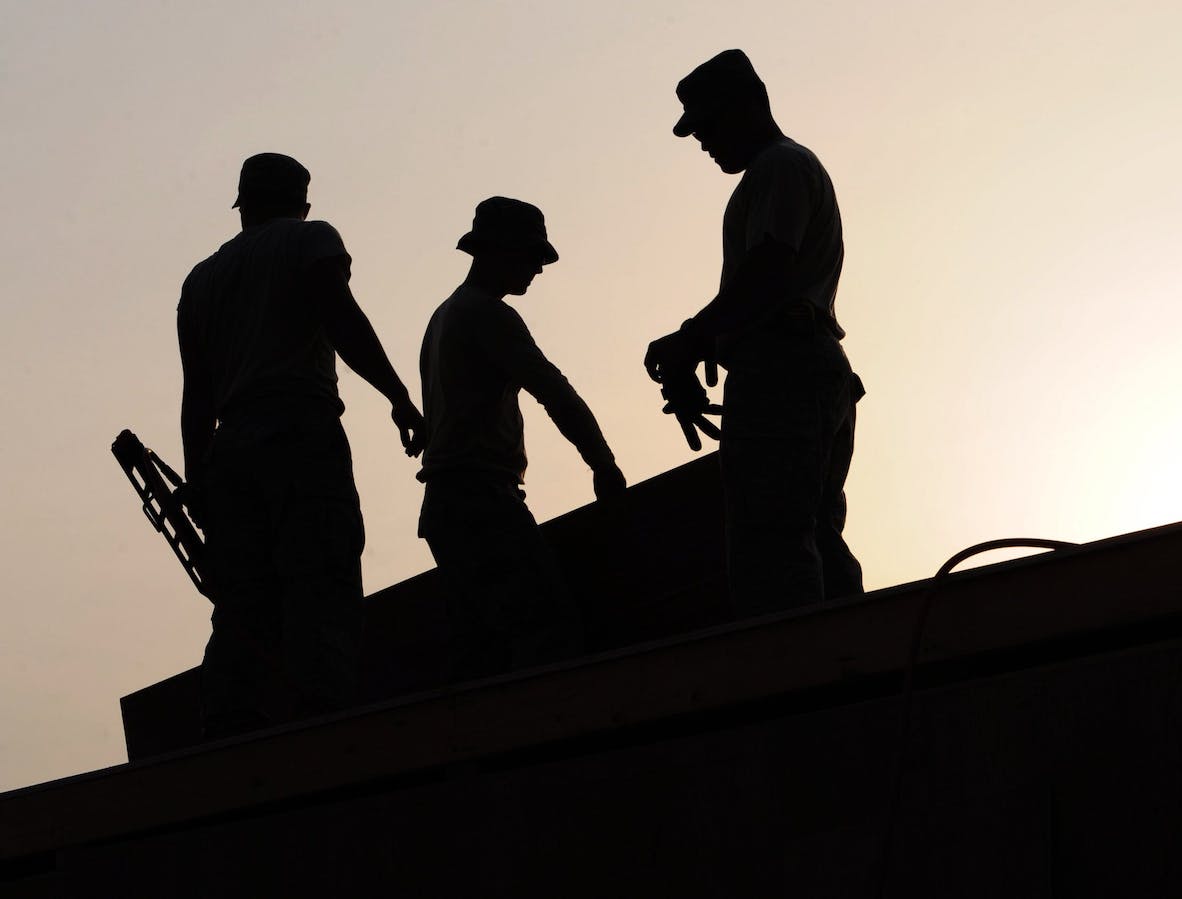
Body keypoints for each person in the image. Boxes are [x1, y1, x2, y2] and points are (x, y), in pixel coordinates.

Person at [177, 152, 426, 738]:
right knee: (322, 572)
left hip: (229, 450)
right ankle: (326, 723)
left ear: (243, 207)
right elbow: (341, 319)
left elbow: (196, 397)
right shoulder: (310, 240)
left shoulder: (200, 281)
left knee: (241, 600)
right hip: (298, 432)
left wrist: (198, 481)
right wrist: (398, 396)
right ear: (301, 202)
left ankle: (229, 726)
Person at [645, 49, 864, 616]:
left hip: (787, 373)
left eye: (707, 127)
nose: (703, 143)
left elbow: (769, 270)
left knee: (773, 544)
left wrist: (693, 338)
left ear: (746, 107)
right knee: (812, 536)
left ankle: (798, 678)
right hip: (800, 369)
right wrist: (708, 347)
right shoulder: (776, 173)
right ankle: (853, 666)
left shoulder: (779, 166)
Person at [417, 197, 626, 680]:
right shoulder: (487, 315)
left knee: (482, 650)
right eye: (530, 256)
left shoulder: (443, 316)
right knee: (546, 633)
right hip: (480, 500)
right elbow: (553, 391)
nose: (537, 268)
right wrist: (603, 463)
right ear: (497, 251)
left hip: (449, 505)